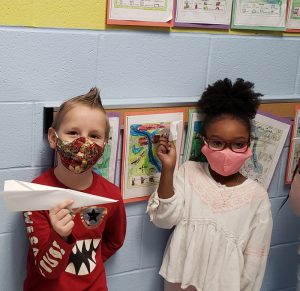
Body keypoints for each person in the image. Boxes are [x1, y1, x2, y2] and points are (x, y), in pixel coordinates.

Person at [147, 78, 273, 291]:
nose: (227, 152)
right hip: (179, 283)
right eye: (217, 142)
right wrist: (168, 169)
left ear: (248, 144)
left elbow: (254, 265)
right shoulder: (188, 172)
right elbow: (163, 220)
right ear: (203, 140)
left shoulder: (257, 197)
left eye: (238, 144)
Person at [23, 88, 126, 291]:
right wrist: (60, 236)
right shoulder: (35, 194)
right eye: (73, 133)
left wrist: (88, 265)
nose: (83, 143)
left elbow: (114, 241)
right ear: (53, 138)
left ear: (104, 145)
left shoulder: (111, 195)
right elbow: (47, 271)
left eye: (94, 136)